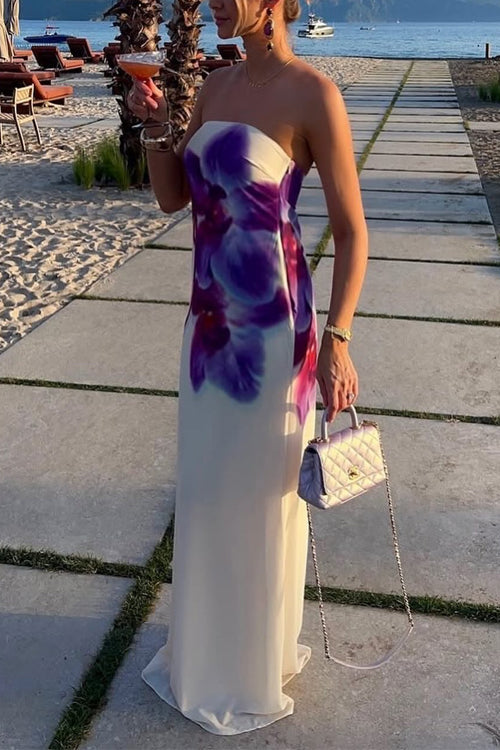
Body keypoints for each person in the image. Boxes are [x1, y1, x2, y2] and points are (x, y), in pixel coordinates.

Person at [127, 0, 368, 736]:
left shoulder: (314, 94)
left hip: (274, 334)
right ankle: (209, 655)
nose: (212, 2)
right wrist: (155, 125)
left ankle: (252, 662)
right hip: (206, 329)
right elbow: (173, 196)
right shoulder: (216, 85)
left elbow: (352, 232)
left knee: (263, 496)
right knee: (206, 489)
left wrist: (338, 338)